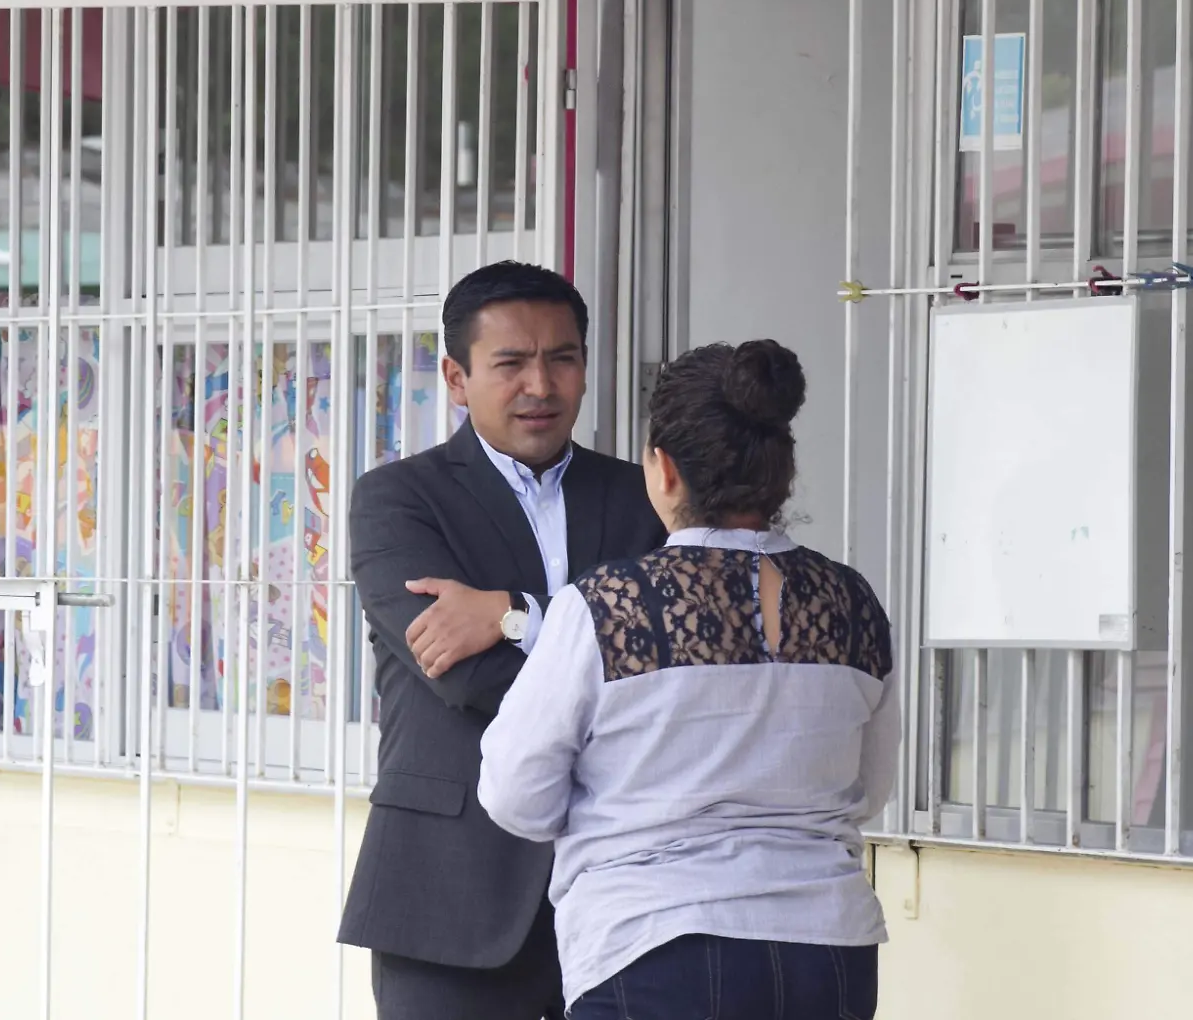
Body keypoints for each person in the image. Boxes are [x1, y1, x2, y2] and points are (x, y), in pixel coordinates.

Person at [478, 339, 899, 1019]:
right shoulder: (852, 603)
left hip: (654, 945)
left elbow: (515, 794)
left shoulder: (608, 606)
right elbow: (870, 788)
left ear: (664, 468)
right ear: (780, 472)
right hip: (830, 950)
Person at [337, 261, 668, 1019]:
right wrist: (613, 659)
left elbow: (676, 669)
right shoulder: (398, 499)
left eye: (562, 358)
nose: (541, 386)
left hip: (623, 896)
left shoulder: (642, 496)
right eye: (511, 363)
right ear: (456, 377)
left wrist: (515, 614)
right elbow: (464, 678)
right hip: (450, 898)